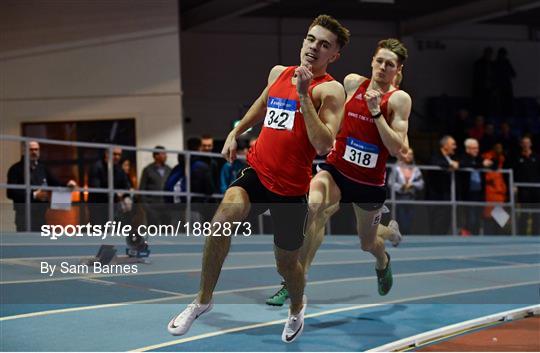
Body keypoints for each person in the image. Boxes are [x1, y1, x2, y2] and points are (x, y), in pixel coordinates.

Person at [167, 15, 350, 342]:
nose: (314, 48)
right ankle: (202, 301)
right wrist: (236, 130)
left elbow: (324, 143)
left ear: (334, 55)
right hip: (258, 174)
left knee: (287, 266)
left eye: (324, 45)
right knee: (222, 219)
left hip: (292, 191)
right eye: (311, 39)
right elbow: (262, 104)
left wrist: (305, 95)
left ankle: (296, 307)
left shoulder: (331, 91)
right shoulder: (279, 73)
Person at [267, 38, 410, 306]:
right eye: (379, 61)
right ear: (372, 61)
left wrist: (376, 112)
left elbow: (395, 148)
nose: (382, 67)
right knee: (313, 207)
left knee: (367, 243)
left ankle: (384, 257)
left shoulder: (399, 99)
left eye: (389, 64)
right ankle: (296, 280)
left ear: (397, 69)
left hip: (368, 183)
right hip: (336, 169)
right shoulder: (353, 83)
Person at [7, 141, 76, 231]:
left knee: (39, 242)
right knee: (25, 242)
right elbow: (10, 193)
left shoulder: (42, 168)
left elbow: (55, 183)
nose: (34, 152)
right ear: (24, 151)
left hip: (41, 216)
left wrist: (67, 184)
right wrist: (34, 195)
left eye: (36, 149)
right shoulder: (15, 169)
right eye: (31, 150)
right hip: (23, 216)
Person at [87, 147, 131, 225]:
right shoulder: (97, 167)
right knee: (99, 233)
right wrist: (115, 194)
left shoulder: (119, 169)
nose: (117, 157)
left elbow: (126, 185)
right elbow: (96, 189)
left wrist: (125, 195)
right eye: (114, 154)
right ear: (107, 154)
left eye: (119, 155)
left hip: (113, 208)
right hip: (98, 208)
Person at [457, 138, 493, 235]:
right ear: (467, 149)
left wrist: (489, 163)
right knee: (471, 217)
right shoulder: (463, 157)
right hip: (468, 193)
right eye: (474, 148)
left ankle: (475, 236)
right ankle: (466, 234)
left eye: (477, 148)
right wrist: (481, 164)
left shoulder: (479, 158)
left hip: (479, 193)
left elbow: (493, 165)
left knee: (478, 217)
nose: (476, 150)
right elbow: (464, 164)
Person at [427, 135, 459, 235]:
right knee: (437, 226)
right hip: (437, 199)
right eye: (453, 144)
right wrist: (450, 165)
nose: (455, 147)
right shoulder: (436, 156)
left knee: (445, 225)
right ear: (445, 146)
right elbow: (435, 163)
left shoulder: (451, 158)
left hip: (448, 198)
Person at [392, 148, 424, 235]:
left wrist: (412, 185)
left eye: (411, 154)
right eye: (408, 154)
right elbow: (391, 183)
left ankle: (407, 238)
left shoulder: (416, 169)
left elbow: (421, 184)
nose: (410, 156)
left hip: (411, 198)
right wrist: (401, 187)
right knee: (401, 221)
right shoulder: (396, 168)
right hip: (399, 198)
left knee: (410, 221)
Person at [512, 136, 540, 235]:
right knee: (523, 213)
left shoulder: (537, 157)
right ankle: (522, 234)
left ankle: (536, 234)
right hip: (523, 190)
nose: (526, 145)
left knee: (537, 214)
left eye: (528, 143)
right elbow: (514, 172)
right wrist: (513, 185)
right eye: (524, 143)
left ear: (531, 144)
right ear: (521, 144)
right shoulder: (517, 157)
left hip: (536, 190)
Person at [139, 146, 172, 226]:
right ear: (156, 156)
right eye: (163, 154)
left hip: (166, 207)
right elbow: (142, 189)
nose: (166, 156)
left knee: (167, 231)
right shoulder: (148, 170)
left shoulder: (169, 169)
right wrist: (146, 206)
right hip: (152, 206)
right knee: (153, 232)